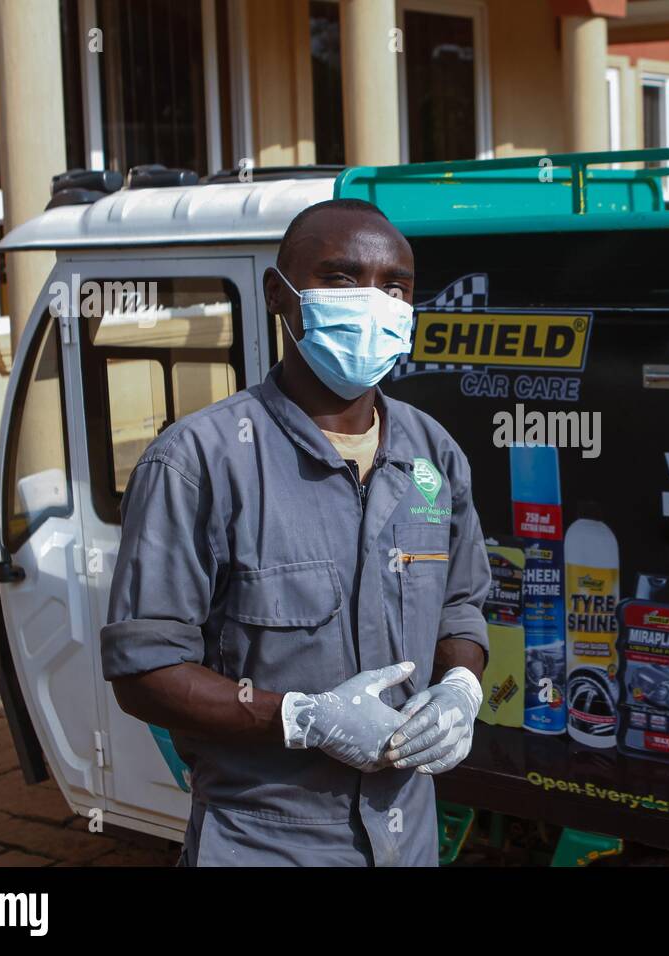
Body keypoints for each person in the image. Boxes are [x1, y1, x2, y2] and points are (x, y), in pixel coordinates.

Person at [100, 198, 490, 866]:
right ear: (280, 296)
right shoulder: (199, 461)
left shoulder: (434, 454)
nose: (373, 301)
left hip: (410, 834)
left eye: (394, 285)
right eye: (342, 278)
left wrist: (461, 689)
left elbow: (461, 605)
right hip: (264, 838)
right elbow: (145, 671)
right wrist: (301, 718)